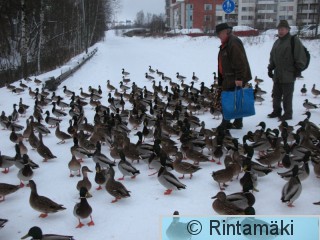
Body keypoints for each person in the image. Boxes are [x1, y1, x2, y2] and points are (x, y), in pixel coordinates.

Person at [267, 20, 307, 121]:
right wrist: (270, 67)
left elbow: (299, 55)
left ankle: (288, 114)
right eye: (279, 29)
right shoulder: (277, 42)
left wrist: (298, 69)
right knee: (276, 94)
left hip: (289, 73)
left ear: (288, 30)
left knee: (287, 96)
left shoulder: (293, 40)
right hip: (278, 74)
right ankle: (276, 111)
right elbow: (273, 56)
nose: (280, 31)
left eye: (283, 29)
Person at [216, 23, 252, 129]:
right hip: (229, 77)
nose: (218, 36)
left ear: (226, 31)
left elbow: (240, 62)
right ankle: (238, 122)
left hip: (234, 77)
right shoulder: (226, 43)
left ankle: (225, 123)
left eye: (219, 33)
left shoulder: (233, 42)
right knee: (236, 99)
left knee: (228, 100)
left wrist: (239, 78)